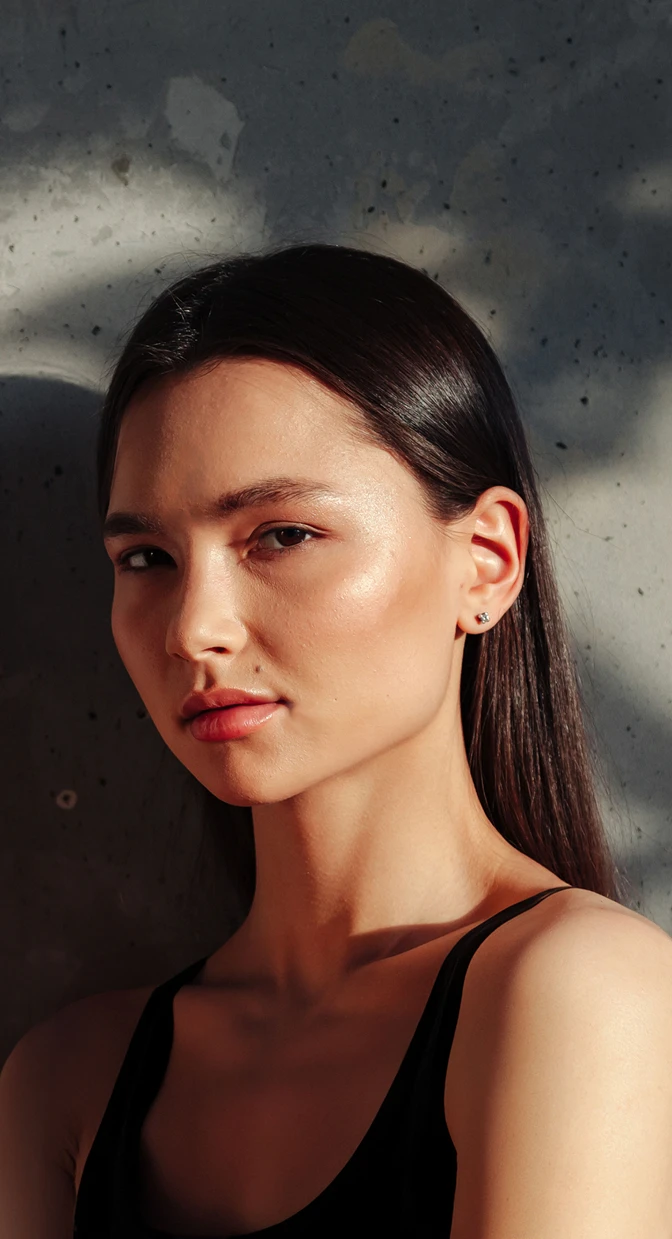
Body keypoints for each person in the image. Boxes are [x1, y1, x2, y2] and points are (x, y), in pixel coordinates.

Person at [2, 242, 672, 1238]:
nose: (194, 629)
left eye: (282, 535)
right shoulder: (65, 1087)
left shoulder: (577, 992)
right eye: (146, 558)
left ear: (486, 563)